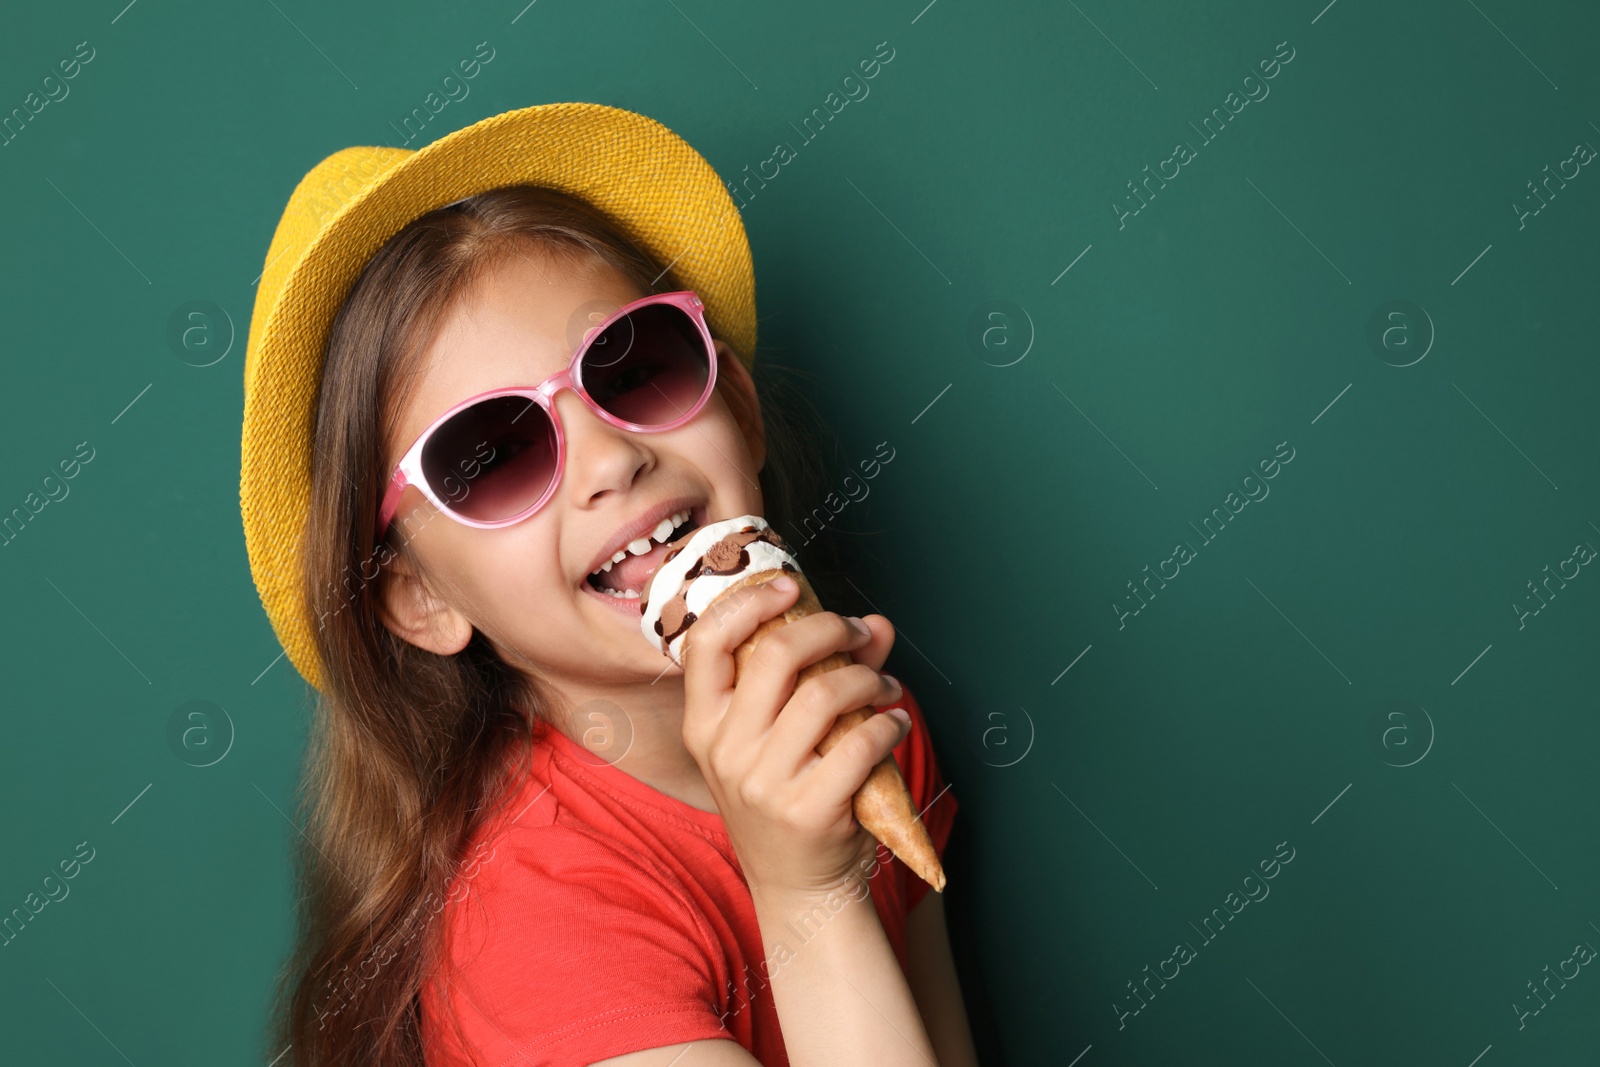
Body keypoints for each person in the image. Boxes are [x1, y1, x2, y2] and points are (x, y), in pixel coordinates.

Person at [240, 103, 975, 1067]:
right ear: (422, 599)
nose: (609, 459)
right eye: (491, 453)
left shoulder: (866, 724)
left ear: (738, 410)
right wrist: (808, 893)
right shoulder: (529, 924)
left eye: (634, 365)